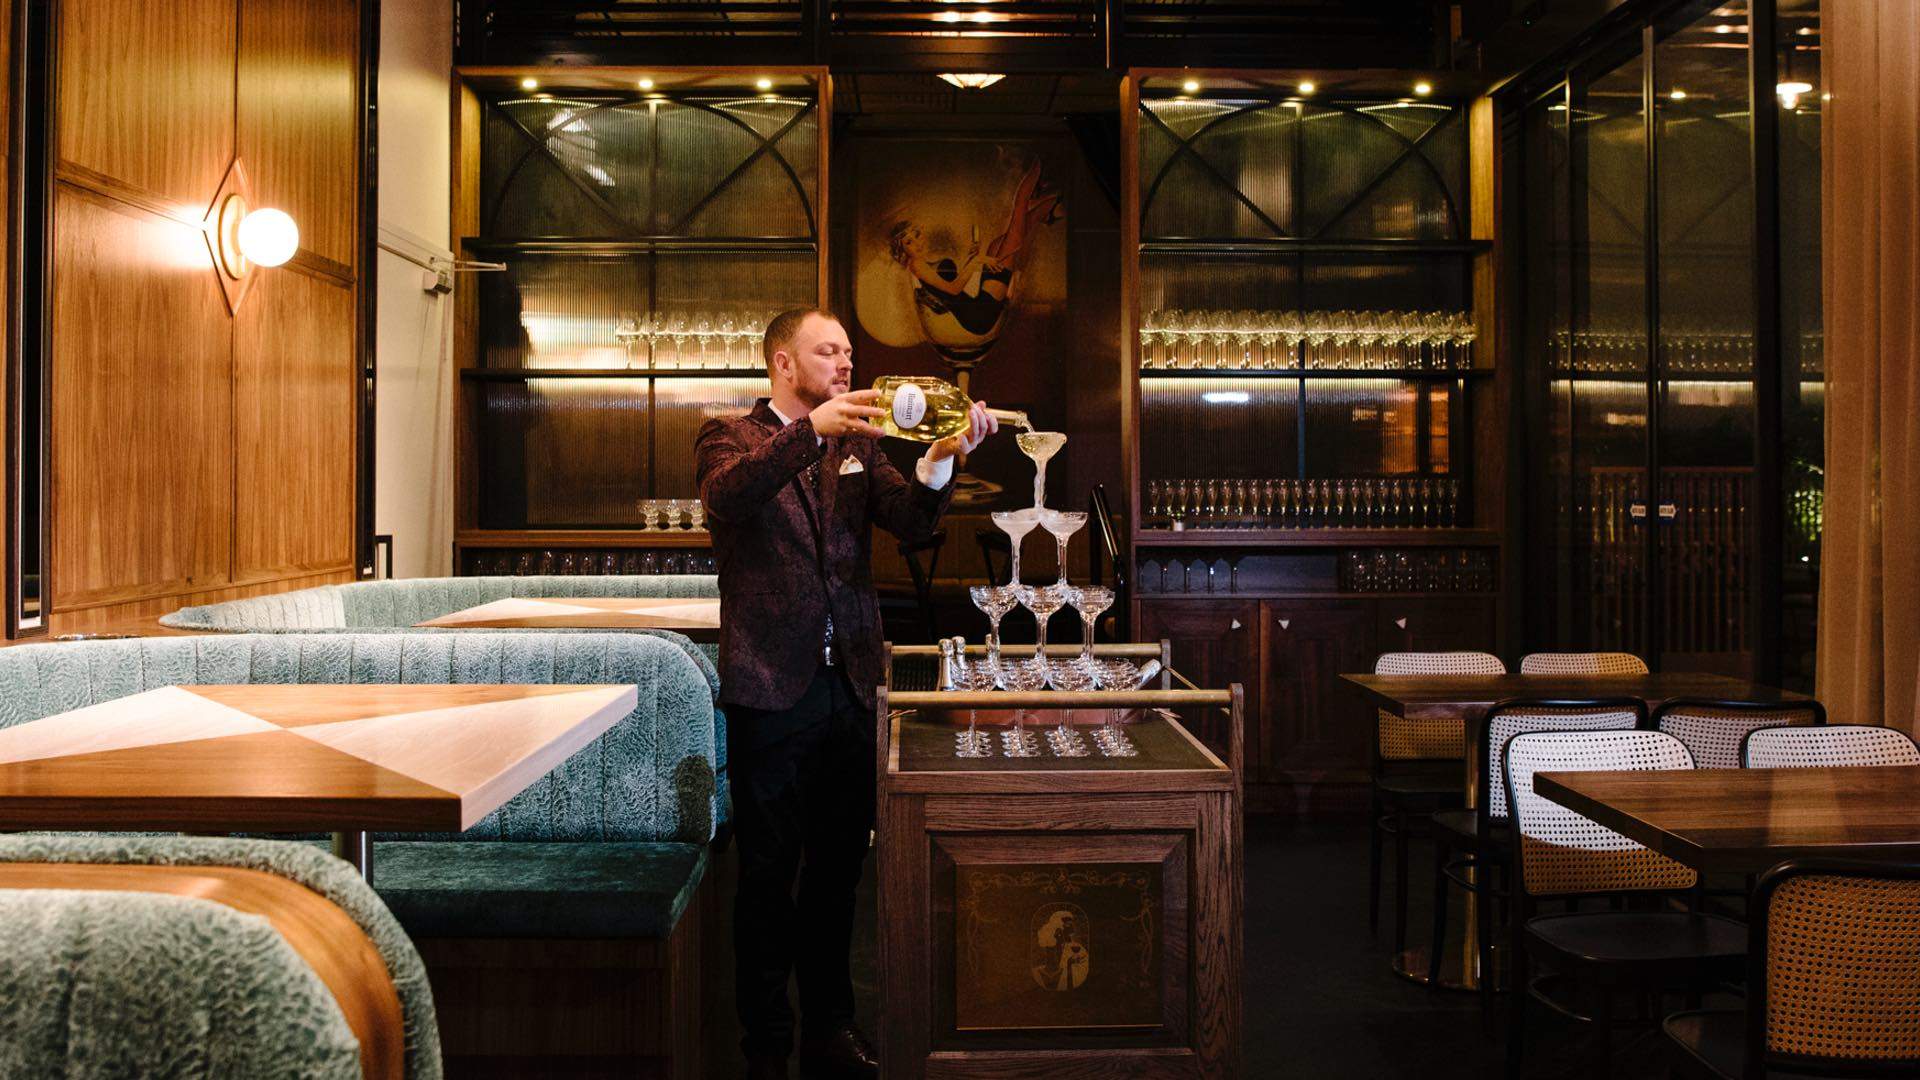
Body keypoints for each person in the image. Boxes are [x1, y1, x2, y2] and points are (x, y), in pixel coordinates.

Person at [695, 309, 997, 1080]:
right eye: (827, 351)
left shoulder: (860, 444)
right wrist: (811, 433)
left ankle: (829, 1029)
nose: (843, 362)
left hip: (853, 686)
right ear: (782, 363)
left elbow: (910, 521)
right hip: (770, 687)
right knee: (767, 876)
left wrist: (936, 459)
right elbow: (727, 500)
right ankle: (765, 1045)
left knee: (838, 871)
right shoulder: (728, 435)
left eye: (848, 352)